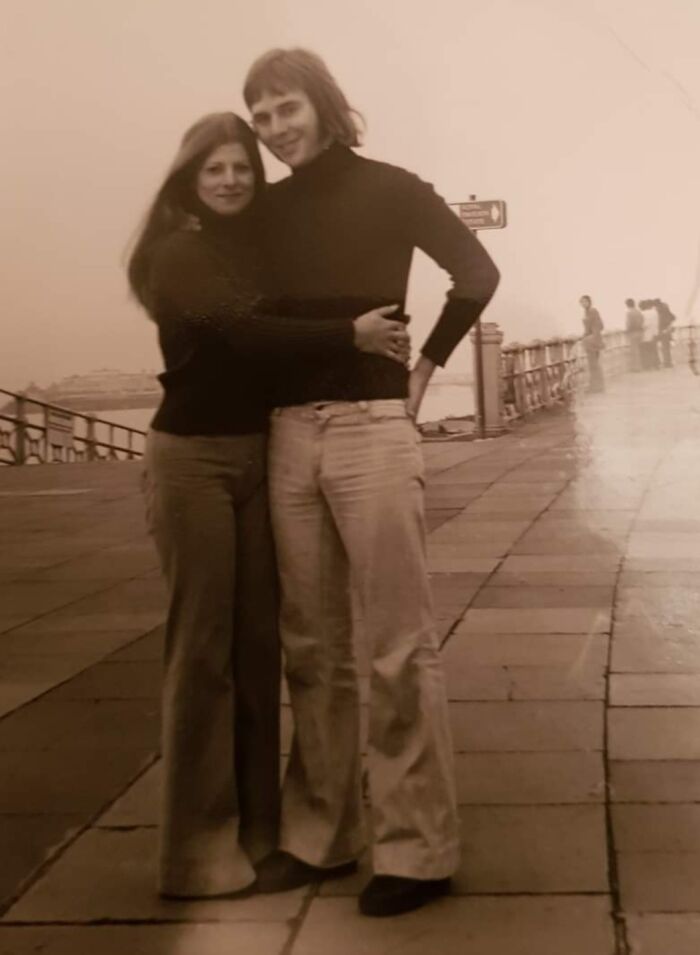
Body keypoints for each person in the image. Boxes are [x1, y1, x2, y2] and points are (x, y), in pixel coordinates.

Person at [243, 48, 500, 917]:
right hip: (288, 433)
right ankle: (322, 835)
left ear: (323, 104)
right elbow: (255, 319)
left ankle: (417, 848)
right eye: (261, 116)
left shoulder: (393, 189)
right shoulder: (265, 211)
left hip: (372, 433)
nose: (275, 128)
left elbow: (477, 274)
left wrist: (424, 368)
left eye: (286, 108)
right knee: (312, 646)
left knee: (397, 642)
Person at [127, 112, 410, 899]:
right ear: (189, 178)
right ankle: (194, 852)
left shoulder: (251, 246)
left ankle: (257, 832)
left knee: (258, 652)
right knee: (202, 652)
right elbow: (244, 332)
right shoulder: (178, 252)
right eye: (214, 168)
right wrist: (350, 334)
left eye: (242, 168)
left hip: (259, 452)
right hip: (193, 460)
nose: (230, 180)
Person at [579, 295, 605, 392]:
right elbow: (587, 328)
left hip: (593, 340)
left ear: (589, 302)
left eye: (585, 301)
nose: (583, 303)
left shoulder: (593, 311)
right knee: (593, 364)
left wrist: (592, 336)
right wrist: (585, 335)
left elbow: (600, 326)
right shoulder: (586, 312)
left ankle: (596, 387)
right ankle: (597, 386)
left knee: (594, 364)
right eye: (582, 302)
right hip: (590, 340)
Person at [624, 298, 645, 372]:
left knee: (634, 351)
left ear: (627, 305)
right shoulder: (639, 312)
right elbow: (642, 321)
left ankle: (636, 368)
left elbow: (629, 324)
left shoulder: (629, 313)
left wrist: (627, 331)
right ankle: (641, 366)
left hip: (633, 332)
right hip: (640, 332)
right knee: (640, 350)